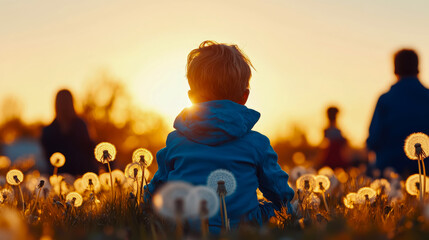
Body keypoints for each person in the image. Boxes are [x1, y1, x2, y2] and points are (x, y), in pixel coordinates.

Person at [146, 41, 294, 233]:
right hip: (242, 229)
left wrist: (145, 207)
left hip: (185, 227)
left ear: (191, 97)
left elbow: (156, 190)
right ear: (244, 97)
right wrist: (291, 210)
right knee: (279, 209)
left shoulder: (175, 142)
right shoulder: (257, 143)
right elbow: (279, 192)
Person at [367, 49, 429, 177]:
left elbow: (373, 140)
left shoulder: (385, 99)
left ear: (395, 69)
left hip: (390, 170)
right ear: (418, 68)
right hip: (426, 170)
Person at [41, 89, 98, 176]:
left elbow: (90, 150)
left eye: (66, 102)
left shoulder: (81, 126)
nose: (64, 106)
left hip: (82, 176)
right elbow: (47, 159)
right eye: (61, 102)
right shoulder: (48, 131)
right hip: (58, 178)